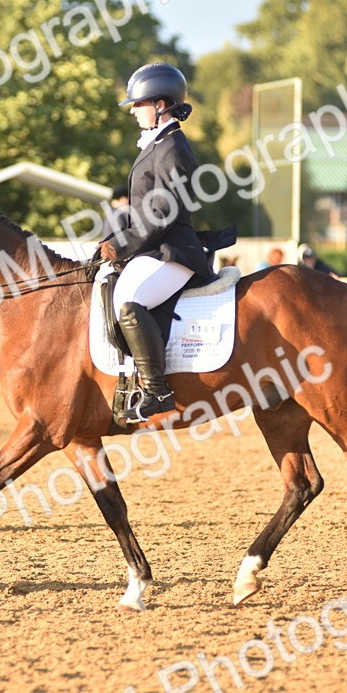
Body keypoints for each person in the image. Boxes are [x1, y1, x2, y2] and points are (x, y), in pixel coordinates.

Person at [98, 63, 214, 423]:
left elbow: (164, 210)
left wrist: (125, 244)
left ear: (160, 104)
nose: (133, 110)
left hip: (174, 251)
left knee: (131, 302)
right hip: (155, 247)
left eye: (139, 103)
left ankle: (157, 390)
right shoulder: (157, 144)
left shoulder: (172, 148)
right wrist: (112, 240)